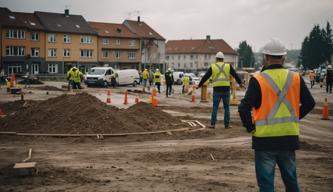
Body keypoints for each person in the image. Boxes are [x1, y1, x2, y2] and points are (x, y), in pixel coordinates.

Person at [238, 38, 315, 192]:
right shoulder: (295, 78)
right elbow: (309, 103)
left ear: (265, 57)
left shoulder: (258, 79)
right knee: (291, 181)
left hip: (264, 141)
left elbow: (243, 108)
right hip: (288, 138)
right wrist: (294, 119)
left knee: (266, 184)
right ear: (284, 57)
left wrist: (250, 127)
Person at [197, 51, 243, 129]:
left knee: (215, 107)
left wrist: (199, 85)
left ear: (216, 59)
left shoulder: (213, 66)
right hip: (226, 88)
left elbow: (206, 76)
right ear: (223, 59)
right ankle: (227, 125)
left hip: (217, 89)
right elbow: (235, 74)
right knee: (226, 107)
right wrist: (240, 83)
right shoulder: (228, 66)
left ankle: (213, 124)